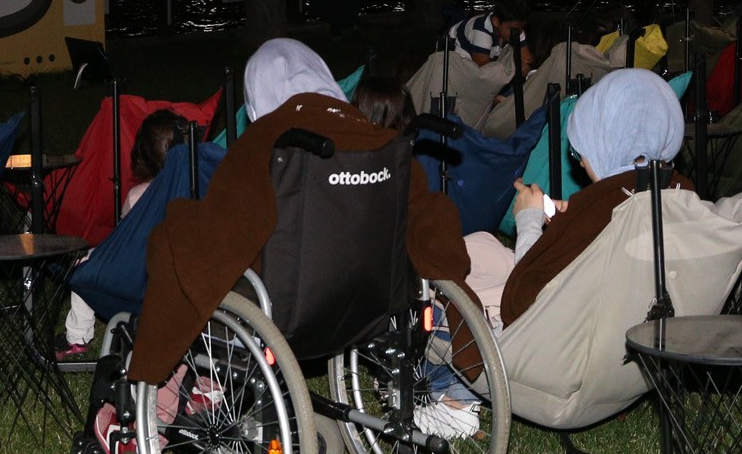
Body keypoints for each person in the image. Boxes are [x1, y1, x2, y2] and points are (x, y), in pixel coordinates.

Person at [122, 38, 467, 390]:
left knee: (176, 233)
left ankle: (153, 371)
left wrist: (180, 225)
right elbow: (427, 212)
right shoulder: (376, 138)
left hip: (293, 308)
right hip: (373, 302)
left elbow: (224, 230)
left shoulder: (265, 140)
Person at [460, 69, 690, 327]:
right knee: (480, 244)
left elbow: (526, 303)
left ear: (609, 141)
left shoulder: (598, 209)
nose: (581, 162)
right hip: (643, 322)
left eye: (583, 148)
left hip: (561, 340)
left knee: (462, 278)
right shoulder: (680, 194)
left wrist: (528, 221)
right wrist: (570, 222)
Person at [54, 109, 184, 360]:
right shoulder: (193, 191)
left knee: (84, 265)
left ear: (142, 156)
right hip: (176, 279)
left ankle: (77, 338)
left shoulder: (137, 196)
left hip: (136, 280)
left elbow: (126, 244)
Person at [449, 0, 531, 68]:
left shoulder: (516, 30)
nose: (519, 33)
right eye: (513, 29)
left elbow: (527, 59)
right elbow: (482, 67)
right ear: (496, 22)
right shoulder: (480, 29)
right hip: (456, 66)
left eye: (522, 28)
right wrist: (515, 66)